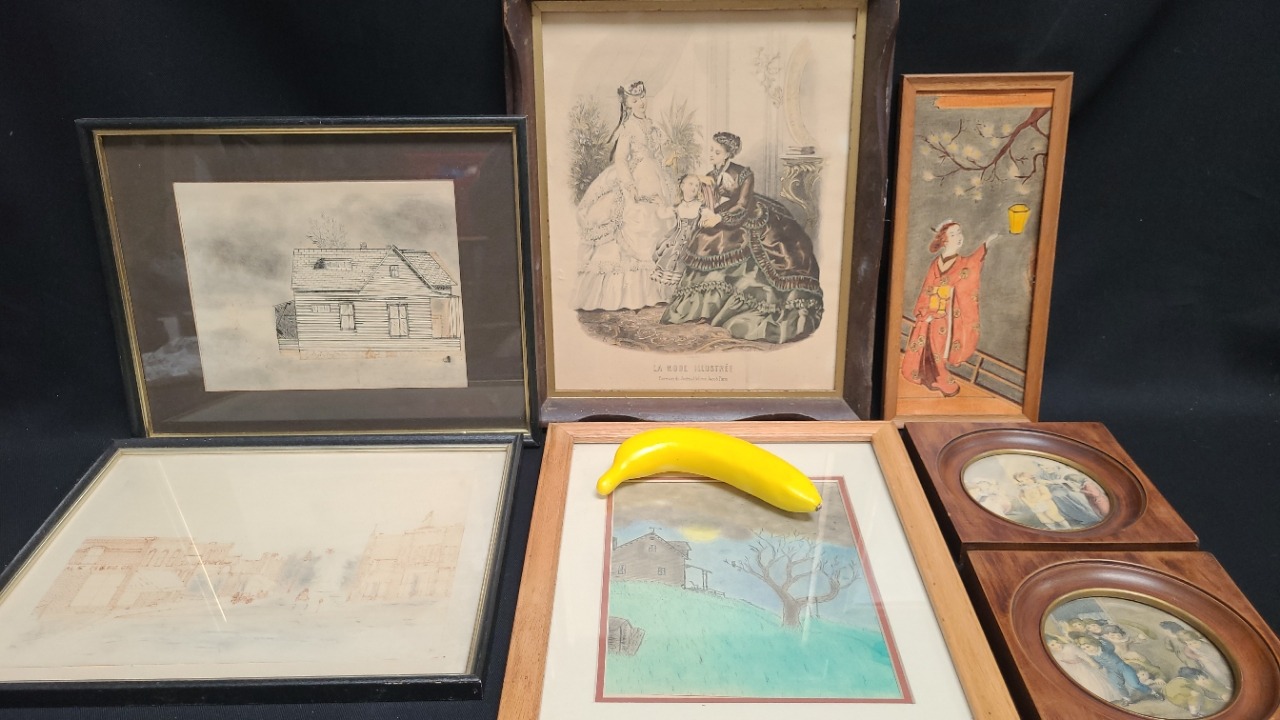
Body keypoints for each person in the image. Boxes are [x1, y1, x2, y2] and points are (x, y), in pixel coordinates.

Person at [660, 131, 823, 343]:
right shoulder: (710, 174)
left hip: (746, 215)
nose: (712, 154)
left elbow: (742, 204)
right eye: (711, 150)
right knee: (705, 240)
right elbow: (709, 201)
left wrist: (719, 217)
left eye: (717, 152)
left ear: (728, 154)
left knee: (749, 244)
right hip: (719, 216)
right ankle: (705, 308)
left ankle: (739, 309)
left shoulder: (744, 174)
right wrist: (708, 212)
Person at [574, 80, 676, 311]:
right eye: (635, 100)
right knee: (635, 219)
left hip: (655, 178)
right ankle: (629, 295)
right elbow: (620, 158)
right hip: (636, 177)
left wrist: (667, 162)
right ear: (628, 104)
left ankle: (658, 290)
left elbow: (660, 153)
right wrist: (629, 184)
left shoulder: (652, 126)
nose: (641, 103)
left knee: (661, 221)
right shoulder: (628, 128)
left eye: (643, 98)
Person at [900, 221, 999, 396]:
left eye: (959, 232)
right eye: (953, 234)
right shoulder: (935, 264)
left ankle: (939, 379)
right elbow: (927, 288)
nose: (959, 237)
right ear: (944, 240)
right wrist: (924, 311)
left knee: (939, 348)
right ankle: (931, 378)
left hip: (949, 315)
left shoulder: (963, 263)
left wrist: (986, 244)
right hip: (931, 312)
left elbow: (973, 263)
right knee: (927, 346)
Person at [651, 174, 710, 301]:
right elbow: (662, 215)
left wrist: (705, 218)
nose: (694, 187)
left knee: (689, 267)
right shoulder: (678, 207)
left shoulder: (700, 206)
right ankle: (670, 297)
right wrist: (660, 204)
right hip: (676, 241)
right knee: (671, 263)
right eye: (691, 184)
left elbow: (709, 216)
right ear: (682, 186)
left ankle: (688, 298)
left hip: (694, 242)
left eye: (697, 185)